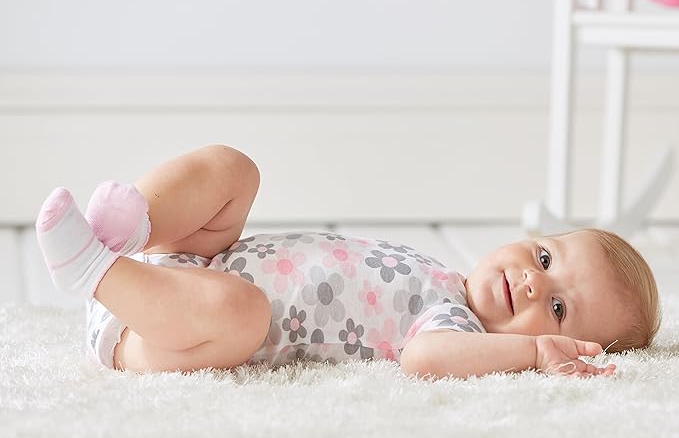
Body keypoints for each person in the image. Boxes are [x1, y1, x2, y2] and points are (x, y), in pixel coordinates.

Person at [35, 144, 661, 379]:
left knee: (244, 313)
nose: (531, 282)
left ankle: (93, 270)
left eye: (557, 308)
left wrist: (532, 353)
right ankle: (133, 226)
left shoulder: (454, 326)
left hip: (165, 332)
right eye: (545, 258)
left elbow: (425, 361)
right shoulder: (441, 274)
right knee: (235, 170)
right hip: (187, 264)